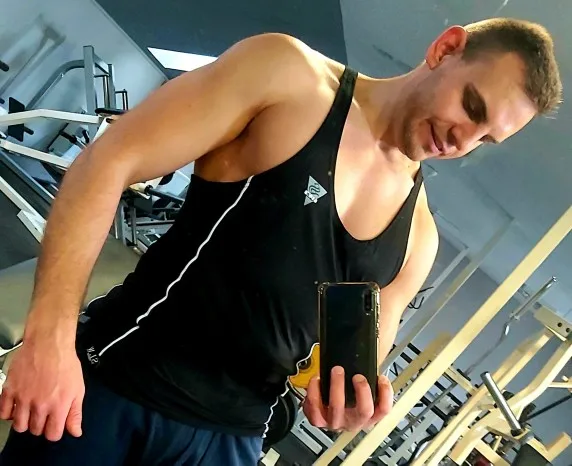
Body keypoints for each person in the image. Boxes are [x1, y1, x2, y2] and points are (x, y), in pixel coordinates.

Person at [0, 17, 562, 466]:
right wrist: (48, 340)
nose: (463, 141)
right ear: (445, 49)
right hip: (118, 385)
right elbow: (107, 162)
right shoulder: (290, 79)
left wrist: (345, 405)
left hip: (232, 439)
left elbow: (341, 372)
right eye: (471, 107)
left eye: (486, 138)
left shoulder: (417, 239)